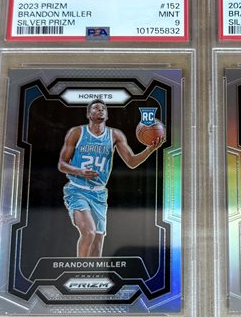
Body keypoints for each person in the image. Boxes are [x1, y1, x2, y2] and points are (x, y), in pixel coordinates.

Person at [58, 99, 165, 257]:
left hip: (99, 193)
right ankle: (80, 268)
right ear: (89, 114)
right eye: (96, 108)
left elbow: (131, 162)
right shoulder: (77, 132)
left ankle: (92, 271)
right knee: (89, 232)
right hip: (77, 189)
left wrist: (150, 149)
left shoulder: (115, 135)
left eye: (103, 109)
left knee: (98, 242)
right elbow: (62, 164)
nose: (100, 110)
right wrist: (80, 171)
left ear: (107, 115)